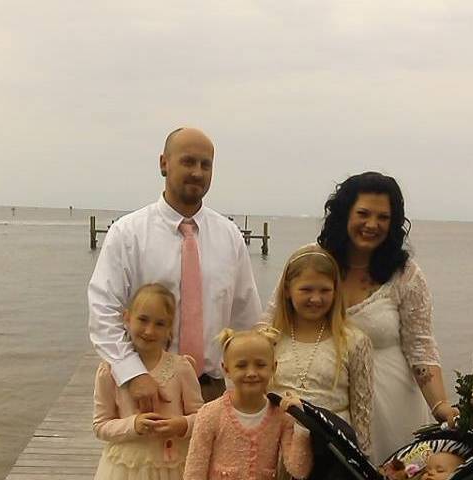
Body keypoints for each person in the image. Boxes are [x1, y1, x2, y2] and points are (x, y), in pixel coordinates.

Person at [88, 127, 262, 407]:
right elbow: (103, 311)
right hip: (148, 388)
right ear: (163, 163)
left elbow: (246, 318)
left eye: (206, 164)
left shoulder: (229, 236)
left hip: (213, 392)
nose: (197, 172)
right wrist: (132, 374)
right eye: (188, 161)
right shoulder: (127, 234)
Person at [317, 171, 459, 462]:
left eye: (383, 217)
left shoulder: (405, 275)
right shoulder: (314, 263)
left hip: (392, 409)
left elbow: (421, 347)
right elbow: (274, 324)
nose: (372, 224)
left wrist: (441, 406)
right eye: (363, 214)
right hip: (326, 402)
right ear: (344, 214)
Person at [268, 244, 373, 455]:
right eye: (306, 290)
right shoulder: (269, 340)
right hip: (276, 448)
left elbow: (363, 412)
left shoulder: (354, 341)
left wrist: (361, 458)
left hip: (332, 451)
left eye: (325, 290)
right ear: (288, 289)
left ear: (336, 291)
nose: (316, 299)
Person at [92, 283, 204, 480]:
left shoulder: (181, 368)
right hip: (125, 468)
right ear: (127, 318)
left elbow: (202, 417)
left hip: (173, 466)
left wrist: (182, 425)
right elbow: (101, 425)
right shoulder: (109, 371)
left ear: (170, 328)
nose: (149, 331)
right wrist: (133, 425)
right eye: (142, 320)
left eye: (160, 324)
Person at [183, 325, 313, 480]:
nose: (251, 373)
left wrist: (301, 425)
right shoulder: (210, 414)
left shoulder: (281, 416)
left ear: (273, 367)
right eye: (241, 365)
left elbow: (299, 470)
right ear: (226, 369)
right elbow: (194, 472)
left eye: (260, 364)